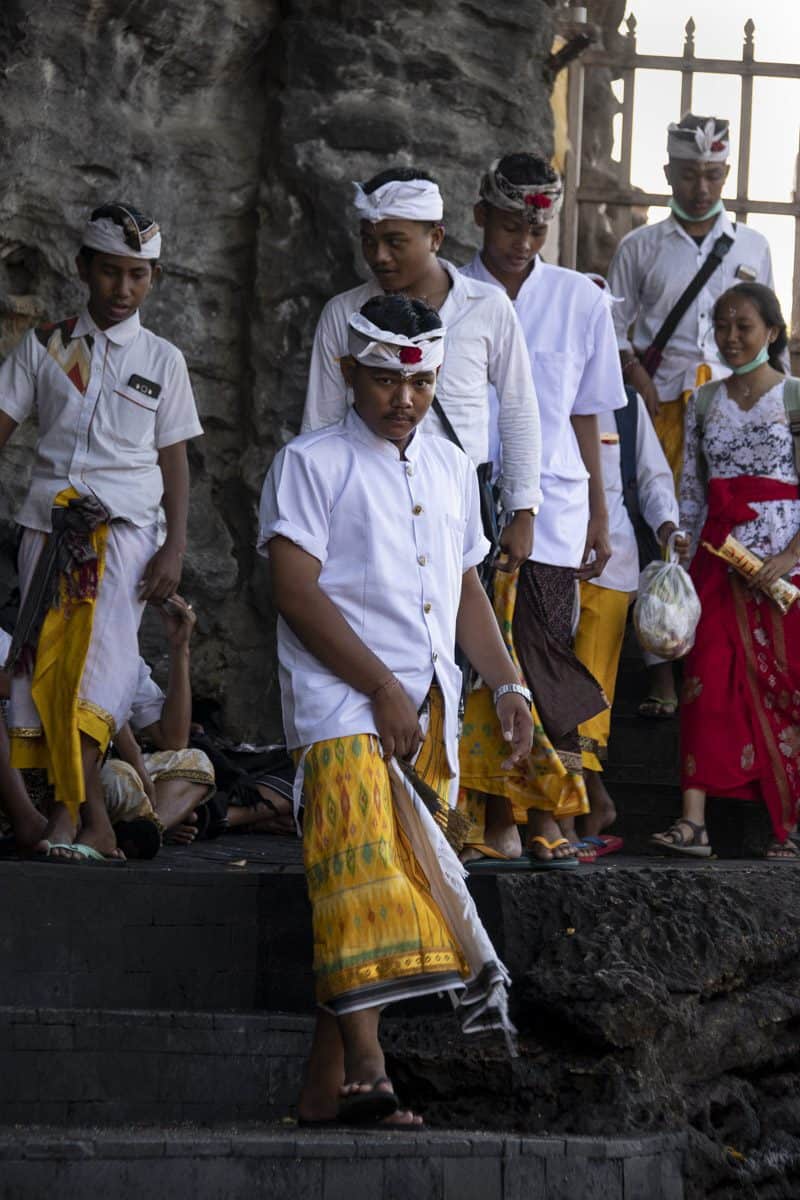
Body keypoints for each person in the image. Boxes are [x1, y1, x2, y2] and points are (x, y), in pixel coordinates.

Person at [259, 295, 534, 1126]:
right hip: (340, 703)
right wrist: (379, 686)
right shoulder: (310, 462)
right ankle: (370, 1073)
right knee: (364, 877)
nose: (401, 400)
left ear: (437, 378)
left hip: (428, 714)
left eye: (417, 383)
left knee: (378, 883)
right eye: (383, 380)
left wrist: (510, 682)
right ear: (350, 373)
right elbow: (293, 590)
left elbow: (463, 590)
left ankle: (320, 1085)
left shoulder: (452, 466)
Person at [0, 202, 203, 863]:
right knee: (50, 674)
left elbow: (175, 459)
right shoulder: (48, 345)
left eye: (138, 276)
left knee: (97, 675)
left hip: (124, 537)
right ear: (84, 268)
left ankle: (91, 824)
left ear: (154, 278)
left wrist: (174, 543)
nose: (123, 289)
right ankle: (72, 819)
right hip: (48, 532)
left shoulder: (162, 359)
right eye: (111, 272)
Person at [458, 153, 626, 865]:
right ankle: (485, 811)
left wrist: (598, 510)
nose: (522, 242)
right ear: (479, 218)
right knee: (474, 663)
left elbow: (589, 414)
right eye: (508, 225)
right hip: (464, 495)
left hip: (552, 507)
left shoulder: (580, 299)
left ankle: (545, 811)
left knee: (544, 657)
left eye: (536, 228)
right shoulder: (450, 289)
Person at [608, 114, 775, 720]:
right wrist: (639, 376)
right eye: (687, 173)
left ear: (725, 172)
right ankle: (661, 670)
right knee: (665, 529)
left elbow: (767, 337)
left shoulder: (753, 246)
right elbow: (611, 329)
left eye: (711, 174)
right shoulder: (639, 247)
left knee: (726, 532)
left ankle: (721, 664)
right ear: (668, 174)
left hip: (733, 411)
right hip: (664, 408)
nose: (700, 186)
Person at [301, 167, 542, 571]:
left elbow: (518, 408)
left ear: (436, 237)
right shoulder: (342, 314)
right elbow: (320, 424)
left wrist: (523, 510)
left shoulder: (489, 307)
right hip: (366, 509)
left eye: (395, 242)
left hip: (461, 512)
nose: (379, 256)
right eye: (369, 241)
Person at [651, 283, 800, 860]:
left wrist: (788, 558)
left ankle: (787, 822)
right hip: (717, 559)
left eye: (745, 326)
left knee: (784, 686)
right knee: (704, 680)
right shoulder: (704, 402)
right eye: (723, 326)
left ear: (772, 331)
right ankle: (693, 822)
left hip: (784, 568)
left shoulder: (793, 399)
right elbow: (692, 491)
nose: (732, 337)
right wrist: (682, 569)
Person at [102, 595, 216, 854]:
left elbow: (173, 740)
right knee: (123, 777)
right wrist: (137, 763)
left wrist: (180, 648)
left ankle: (147, 829)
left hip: (114, 775)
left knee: (195, 760)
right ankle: (144, 826)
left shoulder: (128, 659)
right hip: (75, 771)